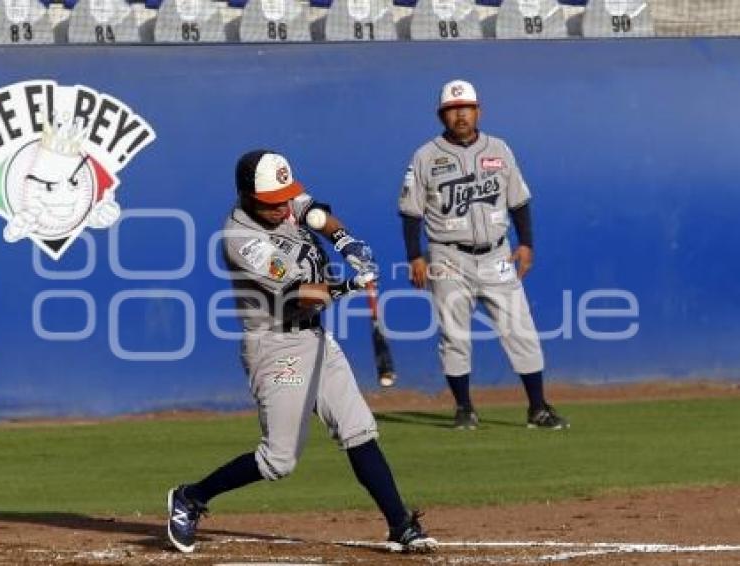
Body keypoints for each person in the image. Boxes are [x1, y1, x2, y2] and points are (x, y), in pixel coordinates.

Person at [166, 150, 437, 554]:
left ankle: (401, 525)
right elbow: (302, 297)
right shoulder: (242, 240)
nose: (282, 207)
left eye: (284, 197)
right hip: (276, 344)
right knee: (280, 460)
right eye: (272, 202)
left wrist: (347, 243)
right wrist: (350, 286)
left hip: (315, 340)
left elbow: (316, 214)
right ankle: (190, 497)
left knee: (358, 429)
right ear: (246, 196)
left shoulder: (282, 199)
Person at [398, 79, 569, 431]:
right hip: (447, 257)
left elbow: (519, 201)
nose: (460, 115)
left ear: (478, 111)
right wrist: (415, 256)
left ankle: (538, 407)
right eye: (452, 109)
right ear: (441, 115)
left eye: (466, 108)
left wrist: (526, 244)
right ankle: (464, 408)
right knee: (454, 335)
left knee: (520, 329)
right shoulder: (426, 156)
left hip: (497, 254)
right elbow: (411, 211)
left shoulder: (499, 149)